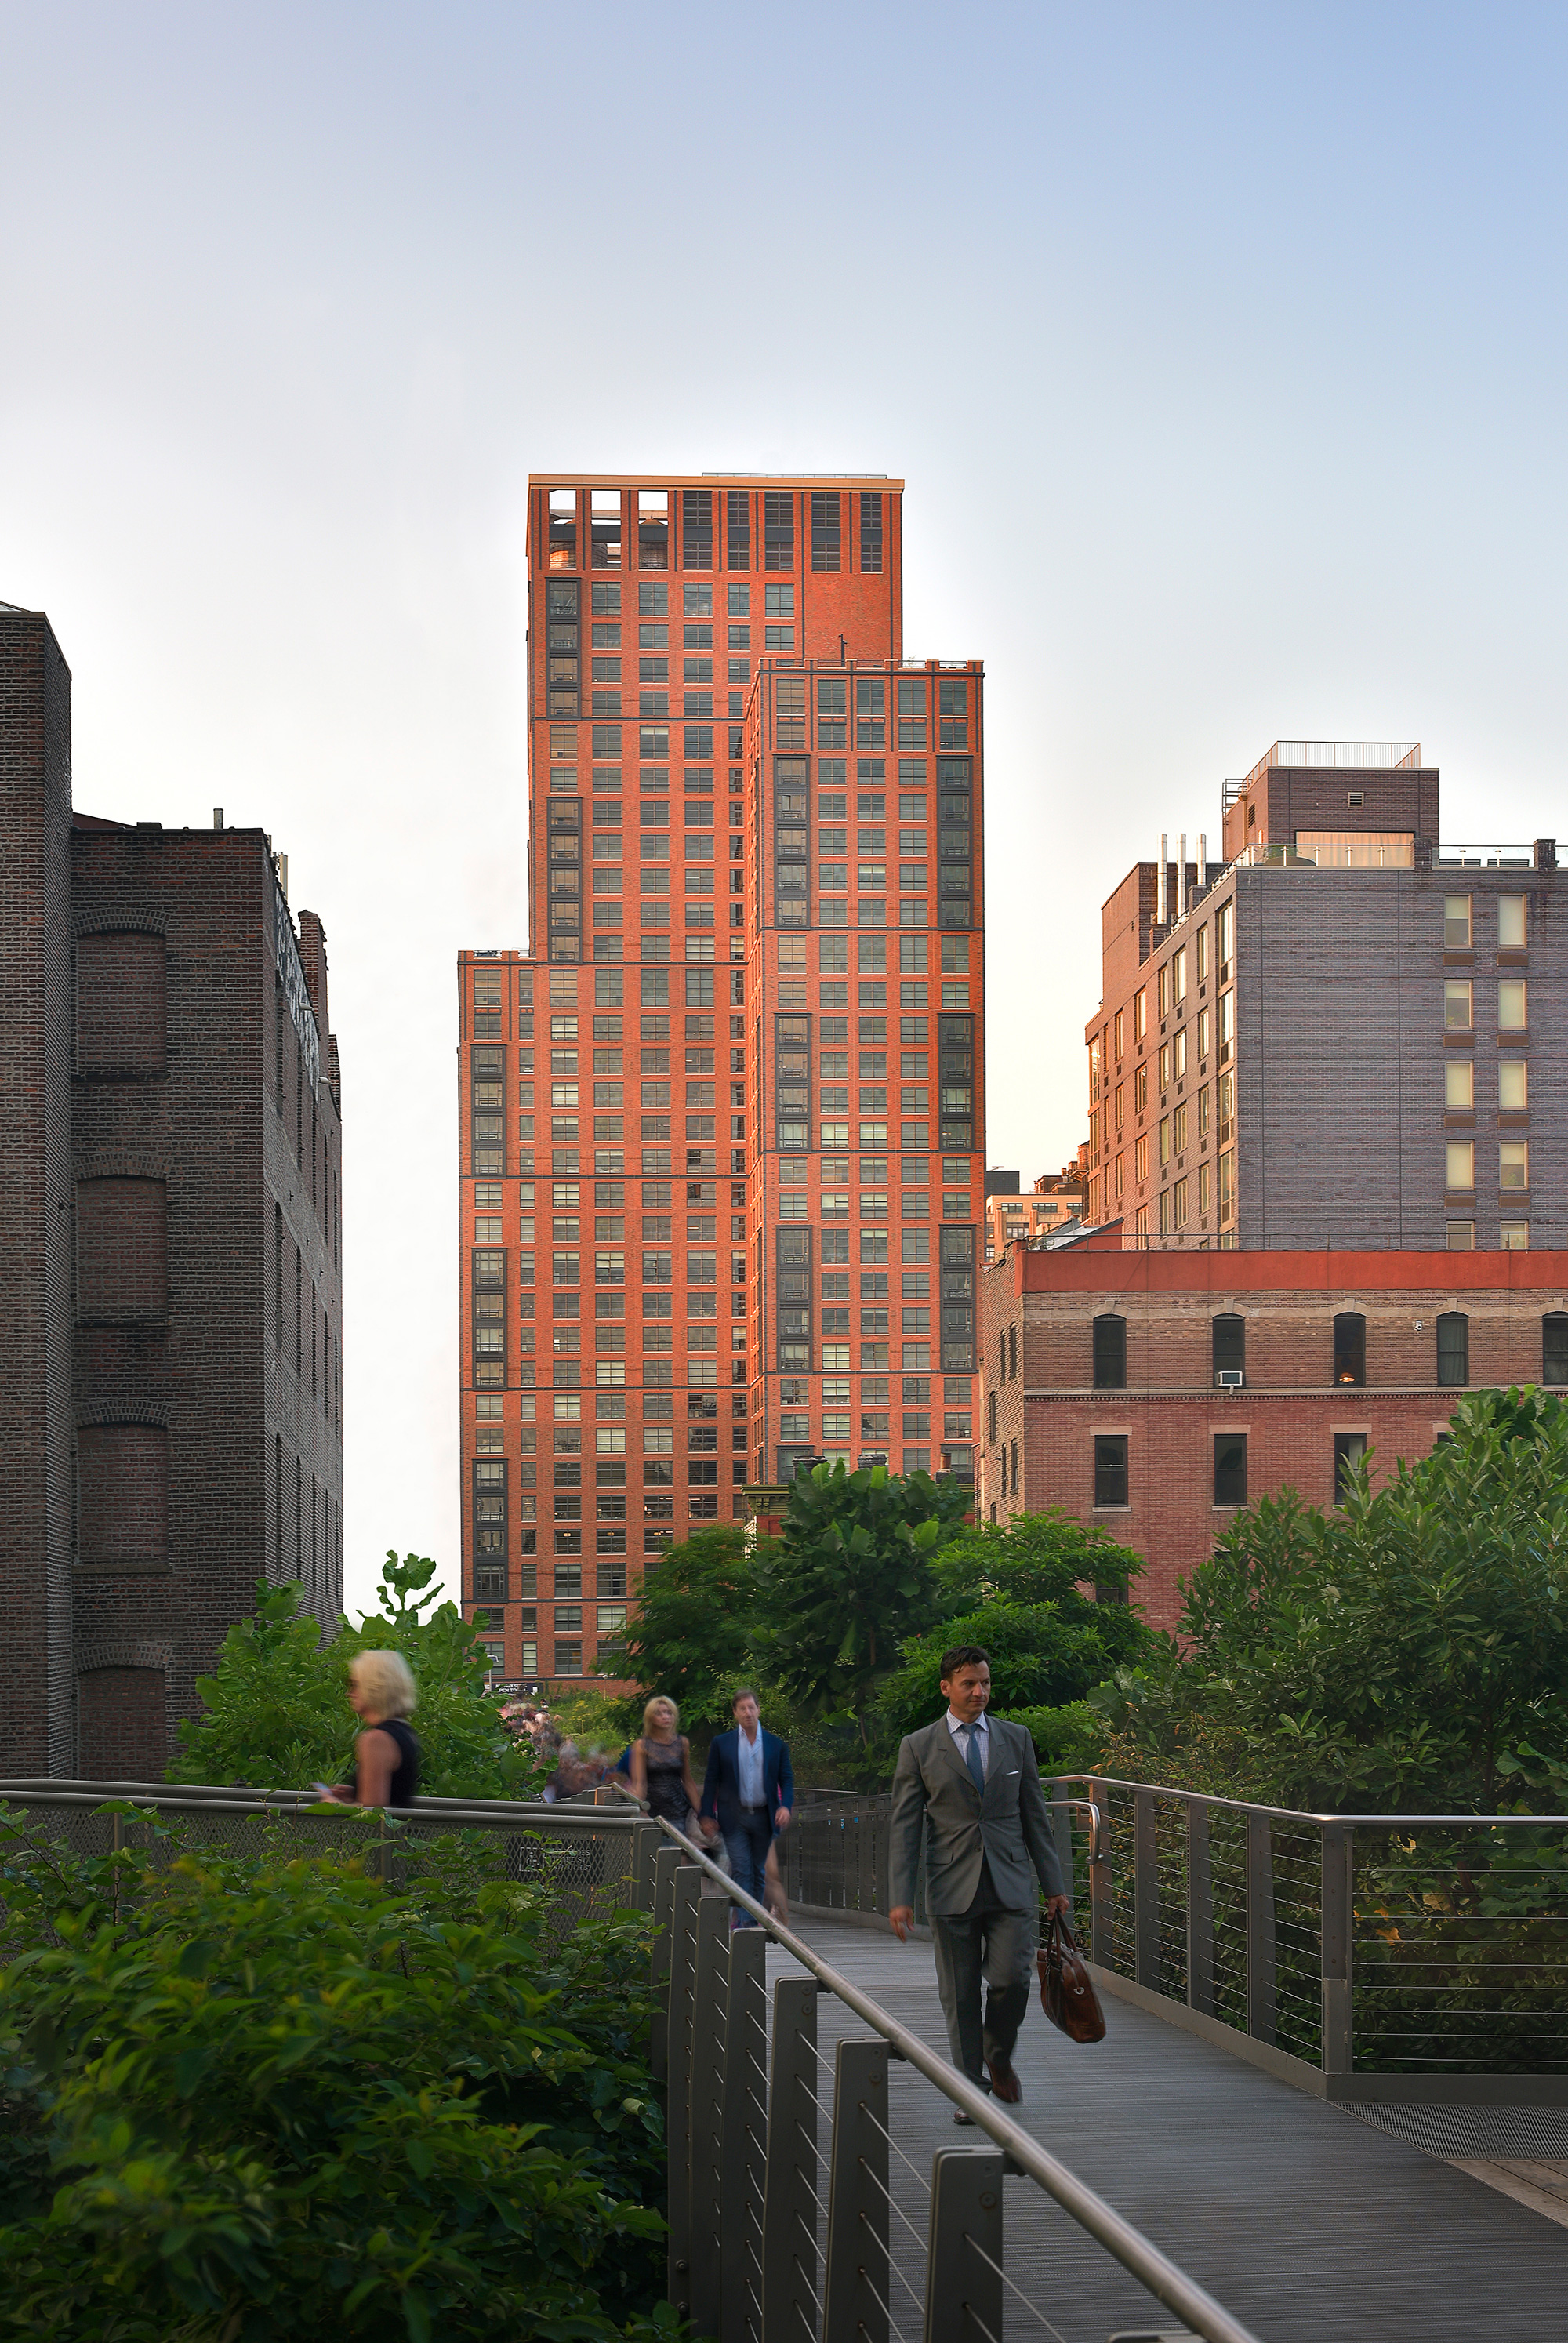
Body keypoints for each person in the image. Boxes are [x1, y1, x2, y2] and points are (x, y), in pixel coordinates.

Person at [887, 1644, 1069, 2120]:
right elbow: (905, 1826)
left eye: (985, 1682)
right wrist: (900, 1897)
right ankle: (970, 2091)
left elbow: (1035, 1815)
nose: (979, 1691)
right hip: (951, 1884)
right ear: (946, 1688)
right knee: (960, 1994)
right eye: (968, 1683)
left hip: (1011, 1880)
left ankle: (998, 2055)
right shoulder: (918, 1746)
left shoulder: (1015, 1738)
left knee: (1012, 1979)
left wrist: (1053, 1884)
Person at [699, 1689, 793, 1924]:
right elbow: (711, 1781)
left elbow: (786, 1780)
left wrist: (785, 1806)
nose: (748, 1713)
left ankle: (750, 1923)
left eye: (751, 1707)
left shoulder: (775, 1745)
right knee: (742, 1869)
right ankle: (744, 1926)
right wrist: (706, 1814)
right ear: (735, 1713)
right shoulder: (722, 1744)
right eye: (742, 1708)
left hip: (764, 1816)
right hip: (734, 1817)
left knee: (758, 1872)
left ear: (759, 1710)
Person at [326, 1650, 420, 1810]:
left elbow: (373, 1813)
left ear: (374, 1688)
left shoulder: (376, 1739)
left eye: (355, 1685)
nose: (349, 1693)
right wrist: (355, 1794)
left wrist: (331, 1804)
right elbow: (394, 1794)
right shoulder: (405, 1732)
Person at [630, 1695, 702, 1844]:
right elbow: (640, 1783)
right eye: (659, 1713)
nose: (666, 1717)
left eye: (669, 1713)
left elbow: (688, 1780)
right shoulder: (642, 1745)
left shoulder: (682, 1743)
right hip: (652, 1812)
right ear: (651, 1718)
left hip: (678, 1811)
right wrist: (639, 1809)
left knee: (677, 1853)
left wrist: (702, 1813)